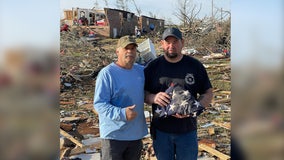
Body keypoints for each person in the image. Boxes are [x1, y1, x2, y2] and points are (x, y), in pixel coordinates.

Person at [144, 27, 213, 160]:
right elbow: (142, 93)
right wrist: (153, 97)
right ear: (162, 44)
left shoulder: (195, 66)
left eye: (175, 41)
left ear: (182, 42)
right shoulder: (153, 67)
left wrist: (196, 108)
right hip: (161, 131)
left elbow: (208, 92)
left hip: (187, 132)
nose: (171, 46)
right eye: (168, 42)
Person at [94, 35, 148, 160]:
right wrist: (122, 113)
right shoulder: (107, 73)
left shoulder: (141, 71)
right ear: (117, 51)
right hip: (114, 136)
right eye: (126, 48)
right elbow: (99, 104)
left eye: (133, 48)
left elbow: (147, 92)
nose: (130, 51)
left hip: (135, 135)